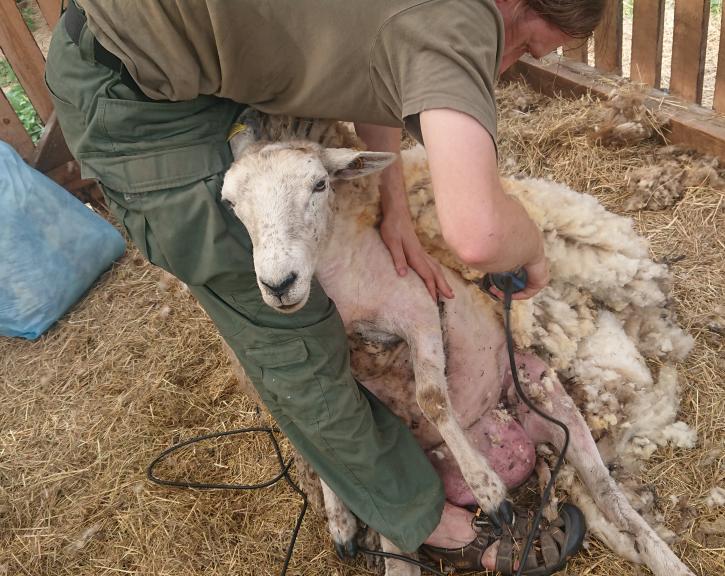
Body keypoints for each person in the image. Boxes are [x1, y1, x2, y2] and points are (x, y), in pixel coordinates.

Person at [46, 0, 605, 572]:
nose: (506, 68)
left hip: (194, 64)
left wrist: (397, 212)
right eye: (528, 47)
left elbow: (374, 76)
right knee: (293, 333)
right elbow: (480, 235)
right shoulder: (461, 22)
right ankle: (424, 519)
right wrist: (531, 248)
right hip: (138, 91)